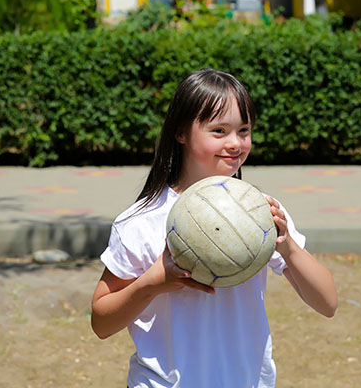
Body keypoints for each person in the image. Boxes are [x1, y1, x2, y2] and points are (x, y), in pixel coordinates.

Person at [91, 68, 338, 388]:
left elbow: (328, 303)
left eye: (244, 130)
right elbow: (101, 322)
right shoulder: (141, 221)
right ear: (181, 132)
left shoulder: (261, 213)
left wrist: (287, 245)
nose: (235, 143)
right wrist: (153, 282)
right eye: (219, 131)